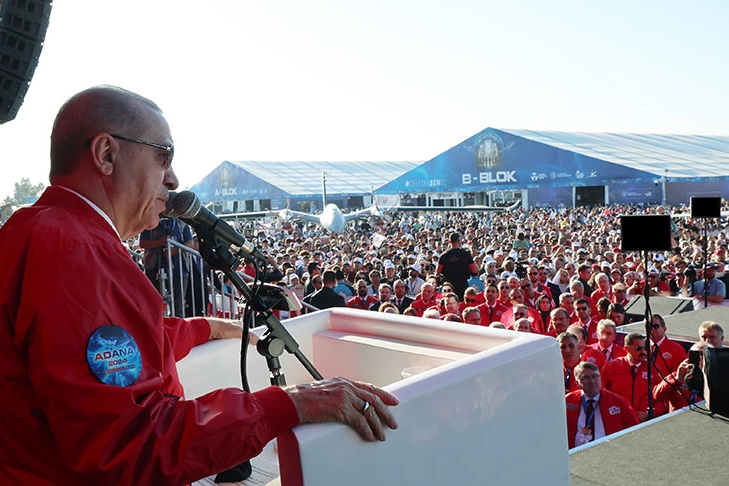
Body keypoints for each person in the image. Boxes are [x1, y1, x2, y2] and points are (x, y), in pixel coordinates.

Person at [0, 86, 398, 484]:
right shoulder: (78, 253)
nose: (172, 179)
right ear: (106, 154)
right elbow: (131, 444)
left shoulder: (32, 233)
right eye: (163, 155)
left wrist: (204, 327)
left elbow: (112, 352)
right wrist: (289, 404)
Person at [565, 362, 639, 448]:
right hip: (577, 455)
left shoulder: (618, 402)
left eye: (595, 376)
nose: (592, 381)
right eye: (586, 378)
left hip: (610, 455)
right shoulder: (568, 401)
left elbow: (635, 431)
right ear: (577, 383)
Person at [601, 332, 666, 421]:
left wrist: (650, 414)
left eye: (645, 348)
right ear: (627, 348)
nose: (643, 352)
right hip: (617, 419)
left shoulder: (653, 369)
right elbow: (600, 393)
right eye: (638, 348)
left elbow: (663, 398)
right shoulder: (611, 367)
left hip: (644, 422)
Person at [140, 217, 194, 317]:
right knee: (154, 304)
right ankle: (157, 329)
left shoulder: (181, 222)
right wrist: (160, 242)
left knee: (178, 306)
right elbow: (142, 243)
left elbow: (190, 243)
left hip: (179, 269)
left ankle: (177, 330)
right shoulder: (151, 220)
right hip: (154, 268)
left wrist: (174, 250)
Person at [436, 232, 478, 299]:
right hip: (462, 284)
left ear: (449, 241)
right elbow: (474, 270)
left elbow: (438, 272)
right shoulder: (466, 254)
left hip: (449, 285)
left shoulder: (444, 256)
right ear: (459, 241)